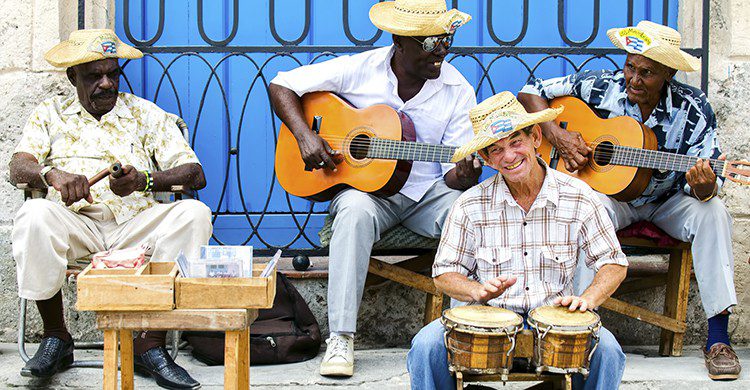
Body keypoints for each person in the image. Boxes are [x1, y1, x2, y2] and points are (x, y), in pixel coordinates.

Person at [269, 0, 482, 377]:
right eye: (433, 43)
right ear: (401, 42)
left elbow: (451, 175)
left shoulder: (457, 89)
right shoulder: (359, 68)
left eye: (448, 39)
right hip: (367, 194)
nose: (443, 51)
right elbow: (282, 83)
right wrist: (305, 137)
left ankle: (467, 330)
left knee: (470, 211)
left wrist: (463, 177)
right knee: (352, 211)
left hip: (427, 194)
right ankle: (341, 338)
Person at [518, 20, 741, 380]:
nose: (634, 79)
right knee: (583, 207)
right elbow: (529, 92)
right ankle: (576, 332)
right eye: (630, 67)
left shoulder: (694, 107)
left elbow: (705, 182)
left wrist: (704, 186)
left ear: (668, 73)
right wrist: (557, 136)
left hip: (668, 200)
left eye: (647, 73)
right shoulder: (600, 85)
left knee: (713, 212)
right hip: (612, 198)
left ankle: (717, 339)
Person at [10, 29, 212, 389]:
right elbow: (18, 167)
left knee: (194, 214)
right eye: (93, 76)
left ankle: (149, 344)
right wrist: (51, 174)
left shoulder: (144, 114)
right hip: (74, 226)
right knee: (33, 215)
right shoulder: (50, 114)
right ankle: (56, 337)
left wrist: (144, 181)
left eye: (113, 74)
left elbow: (194, 173)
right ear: (73, 77)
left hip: (136, 228)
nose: (106, 84)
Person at [407, 92, 629, 390]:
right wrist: (478, 290)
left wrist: (587, 300)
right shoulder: (470, 204)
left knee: (608, 352)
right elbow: (444, 273)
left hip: (556, 323)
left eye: (515, 142)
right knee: (425, 346)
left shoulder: (579, 195)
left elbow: (613, 262)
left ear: (536, 137)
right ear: (485, 158)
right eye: (496, 150)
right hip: (487, 321)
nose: (509, 156)